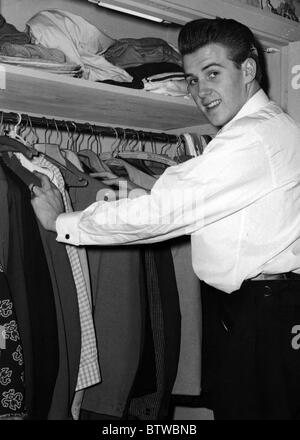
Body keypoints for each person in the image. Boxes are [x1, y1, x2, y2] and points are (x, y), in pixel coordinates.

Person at [30, 18, 300, 420]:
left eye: (212, 73)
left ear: (248, 69)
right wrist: (135, 194)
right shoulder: (273, 129)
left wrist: (61, 221)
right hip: (265, 307)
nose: (201, 92)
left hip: (260, 313)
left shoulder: (250, 139)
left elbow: (164, 213)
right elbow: (206, 207)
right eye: (191, 80)